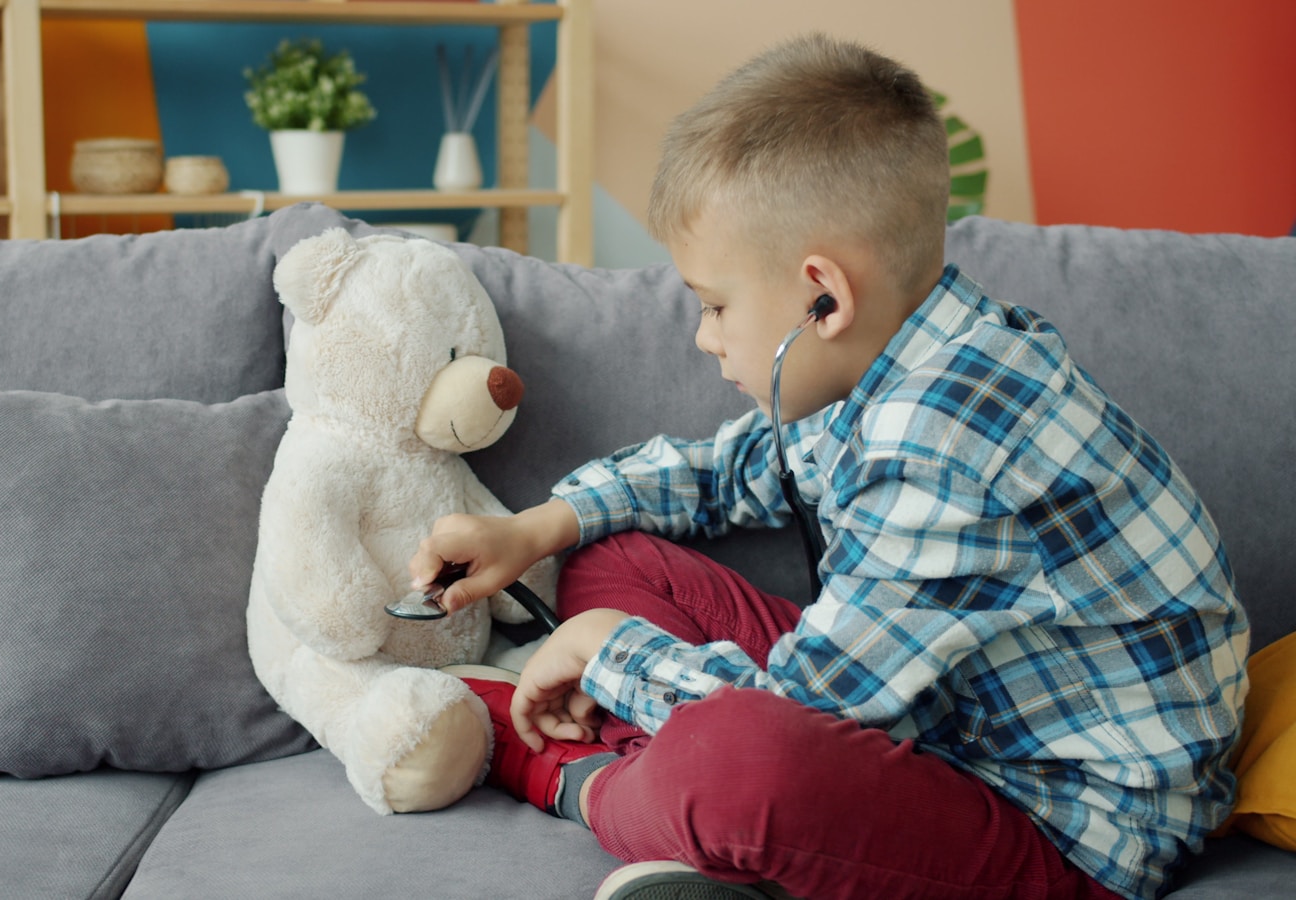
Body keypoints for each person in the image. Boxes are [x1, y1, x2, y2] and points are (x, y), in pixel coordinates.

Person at [408, 32, 1248, 900]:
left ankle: (574, 781)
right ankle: (688, 810)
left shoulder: (944, 442)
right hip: (944, 721)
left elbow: (807, 711)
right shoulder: (911, 358)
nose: (705, 337)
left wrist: (607, 652)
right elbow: (724, 473)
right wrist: (532, 528)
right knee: (613, 556)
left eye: (715, 305)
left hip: (1070, 835)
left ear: (824, 298)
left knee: (737, 767)